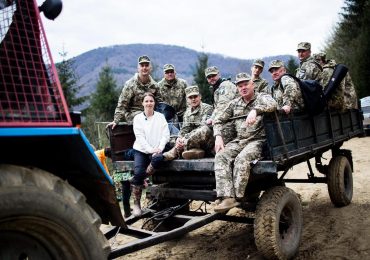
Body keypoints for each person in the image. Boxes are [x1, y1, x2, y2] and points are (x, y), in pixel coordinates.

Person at [213, 72, 277, 213]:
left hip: (257, 141)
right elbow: (218, 119)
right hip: (240, 140)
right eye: (240, 85)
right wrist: (218, 135)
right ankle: (226, 196)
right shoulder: (234, 103)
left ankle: (238, 197)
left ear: (252, 85)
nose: (243, 88)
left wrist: (255, 110)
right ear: (237, 88)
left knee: (242, 159)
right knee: (221, 156)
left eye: (246, 84)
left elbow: (273, 104)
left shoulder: (261, 97)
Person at [131, 92, 170, 216]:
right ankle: (136, 204)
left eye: (151, 101)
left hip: (157, 149)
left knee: (158, 160)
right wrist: (150, 150)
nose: (149, 103)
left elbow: (166, 135)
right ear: (142, 103)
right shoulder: (137, 118)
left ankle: (142, 178)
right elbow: (140, 137)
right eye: (146, 101)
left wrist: (159, 148)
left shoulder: (160, 117)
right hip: (141, 150)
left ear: (154, 103)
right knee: (138, 172)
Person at [108, 55, 162, 129]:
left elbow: (159, 104)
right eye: (142, 65)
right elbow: (122, 103)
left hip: (150, 114)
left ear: (150, 68)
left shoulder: (155, 86)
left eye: (146, 65)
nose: (144, 68)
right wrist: (116, 120)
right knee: (143, 118)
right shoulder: (130, 84)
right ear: (138, 68)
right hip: (133, 114)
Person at [163, 85, 214, 160]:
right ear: (187, 100)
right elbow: (184, 129)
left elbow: (205, 126)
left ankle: (176, 151)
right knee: (173, 138)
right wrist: (180, 138)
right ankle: (195, 151)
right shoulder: (187, 113)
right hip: (192, 141)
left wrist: (185, 138)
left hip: (206, 140)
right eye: (190, 97)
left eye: (195, 96)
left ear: (200, 97)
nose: (193, 99)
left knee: (204, 130)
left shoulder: (208, 109)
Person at [205, 66, 238, 144]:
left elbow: (223, 106)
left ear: (218, 75)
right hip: (224, 119)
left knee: (206, 132)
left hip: (233, 121)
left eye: (213, 75)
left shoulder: (225, 85)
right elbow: (215, 107)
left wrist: (212, 118)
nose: (211, 78)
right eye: (209, 77)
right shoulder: (214, 88)